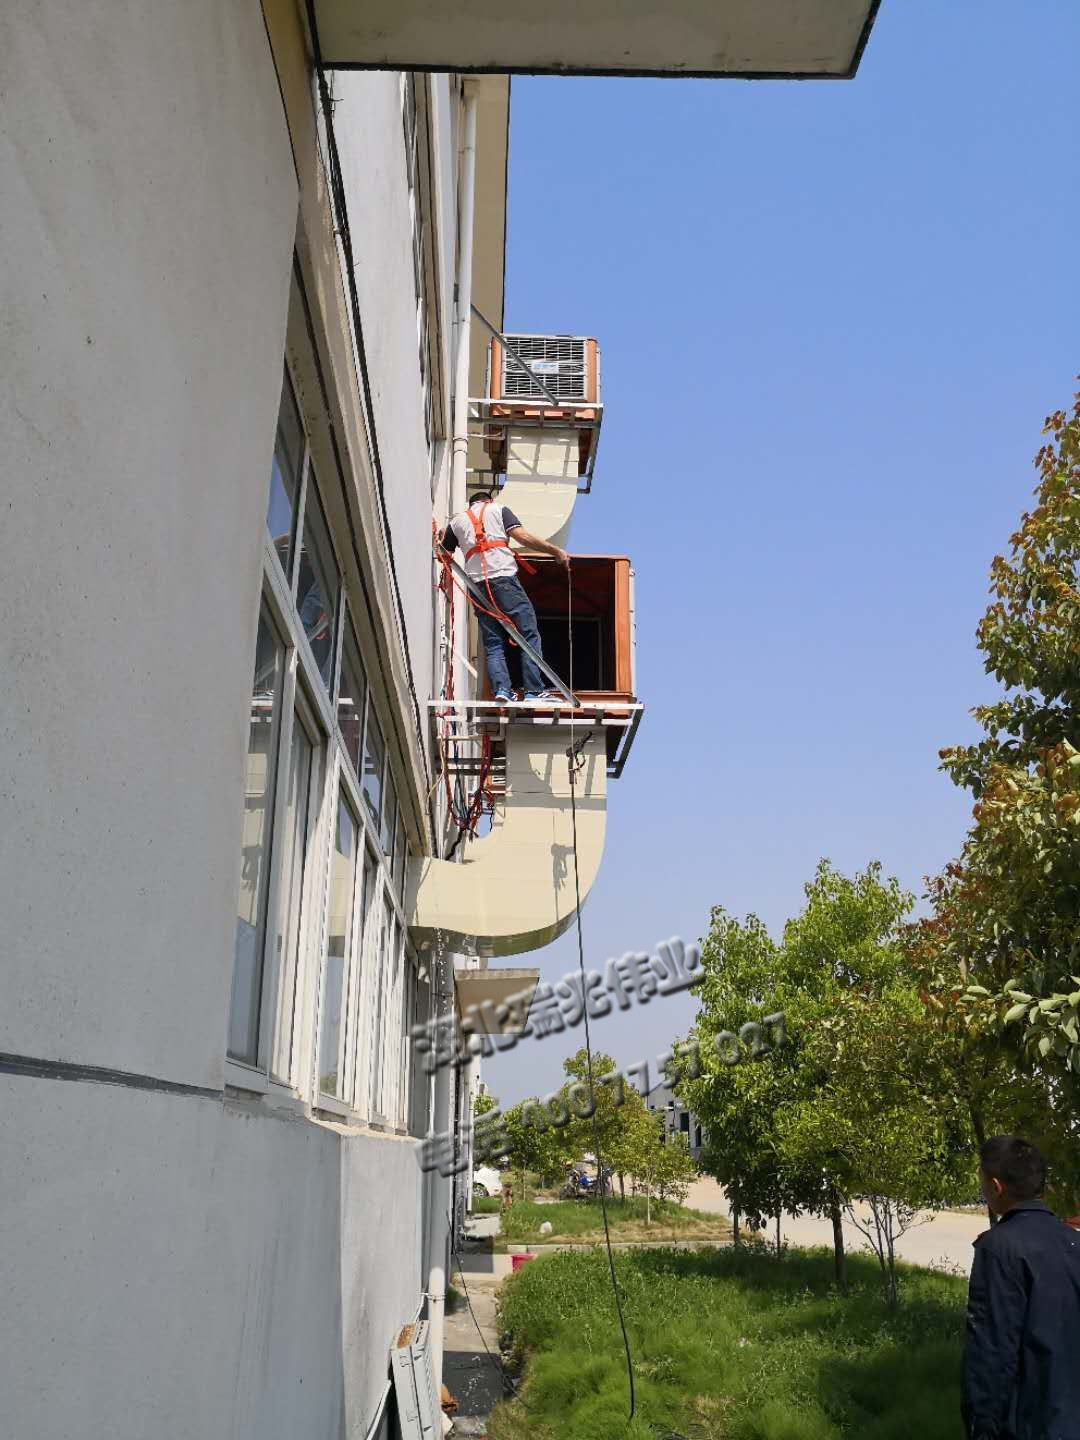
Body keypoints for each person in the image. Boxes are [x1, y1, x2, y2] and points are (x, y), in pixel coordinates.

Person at [962, 1135, 1080, 1440]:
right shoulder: (1074, 1242)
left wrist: (982, 1427)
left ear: (996, 1187)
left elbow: (993, 1352)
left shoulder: (998, 1249)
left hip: (1029, 1425)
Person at [441, 490, 569, 703]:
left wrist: (441, 538)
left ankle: (502, 690)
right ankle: (533, 692)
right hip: (503, 579)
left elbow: (445, 554)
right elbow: (522, 536)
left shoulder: (457, 522)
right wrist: (555, 551)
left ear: (471, 504)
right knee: (528, 633)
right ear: (489, 501)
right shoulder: (498, 510)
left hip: (477, 585)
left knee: (493, 642)